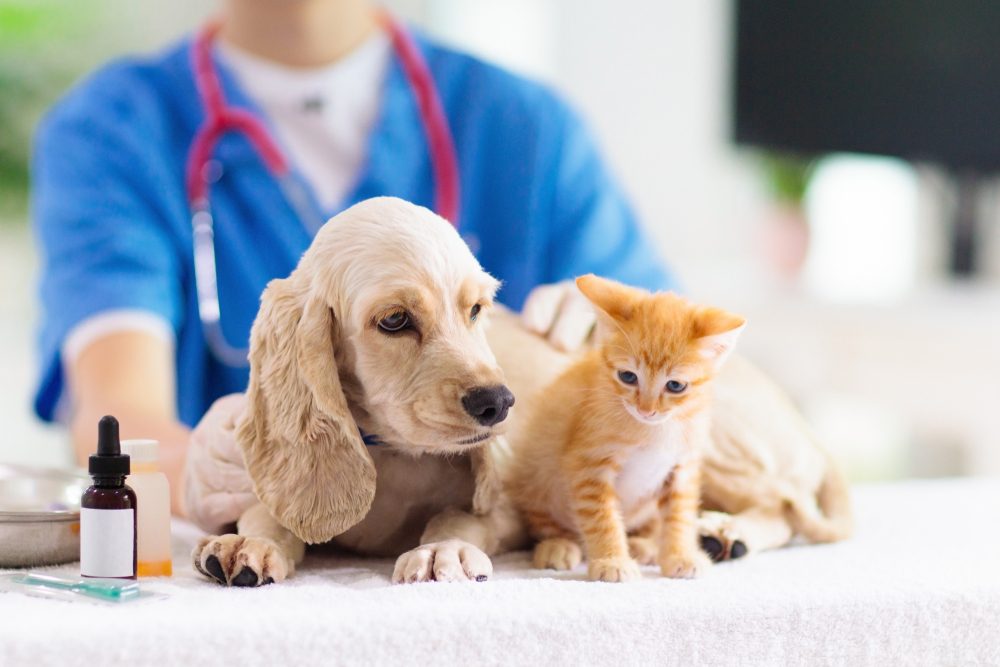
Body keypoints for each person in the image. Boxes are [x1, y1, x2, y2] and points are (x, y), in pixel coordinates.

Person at [32, 0, 674, 514]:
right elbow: (116, 414)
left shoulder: (526, 128)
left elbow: (686, 367)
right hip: (254, 567)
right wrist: (193, 472)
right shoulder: (113, 129)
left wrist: (616, 349)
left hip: (477, 545)